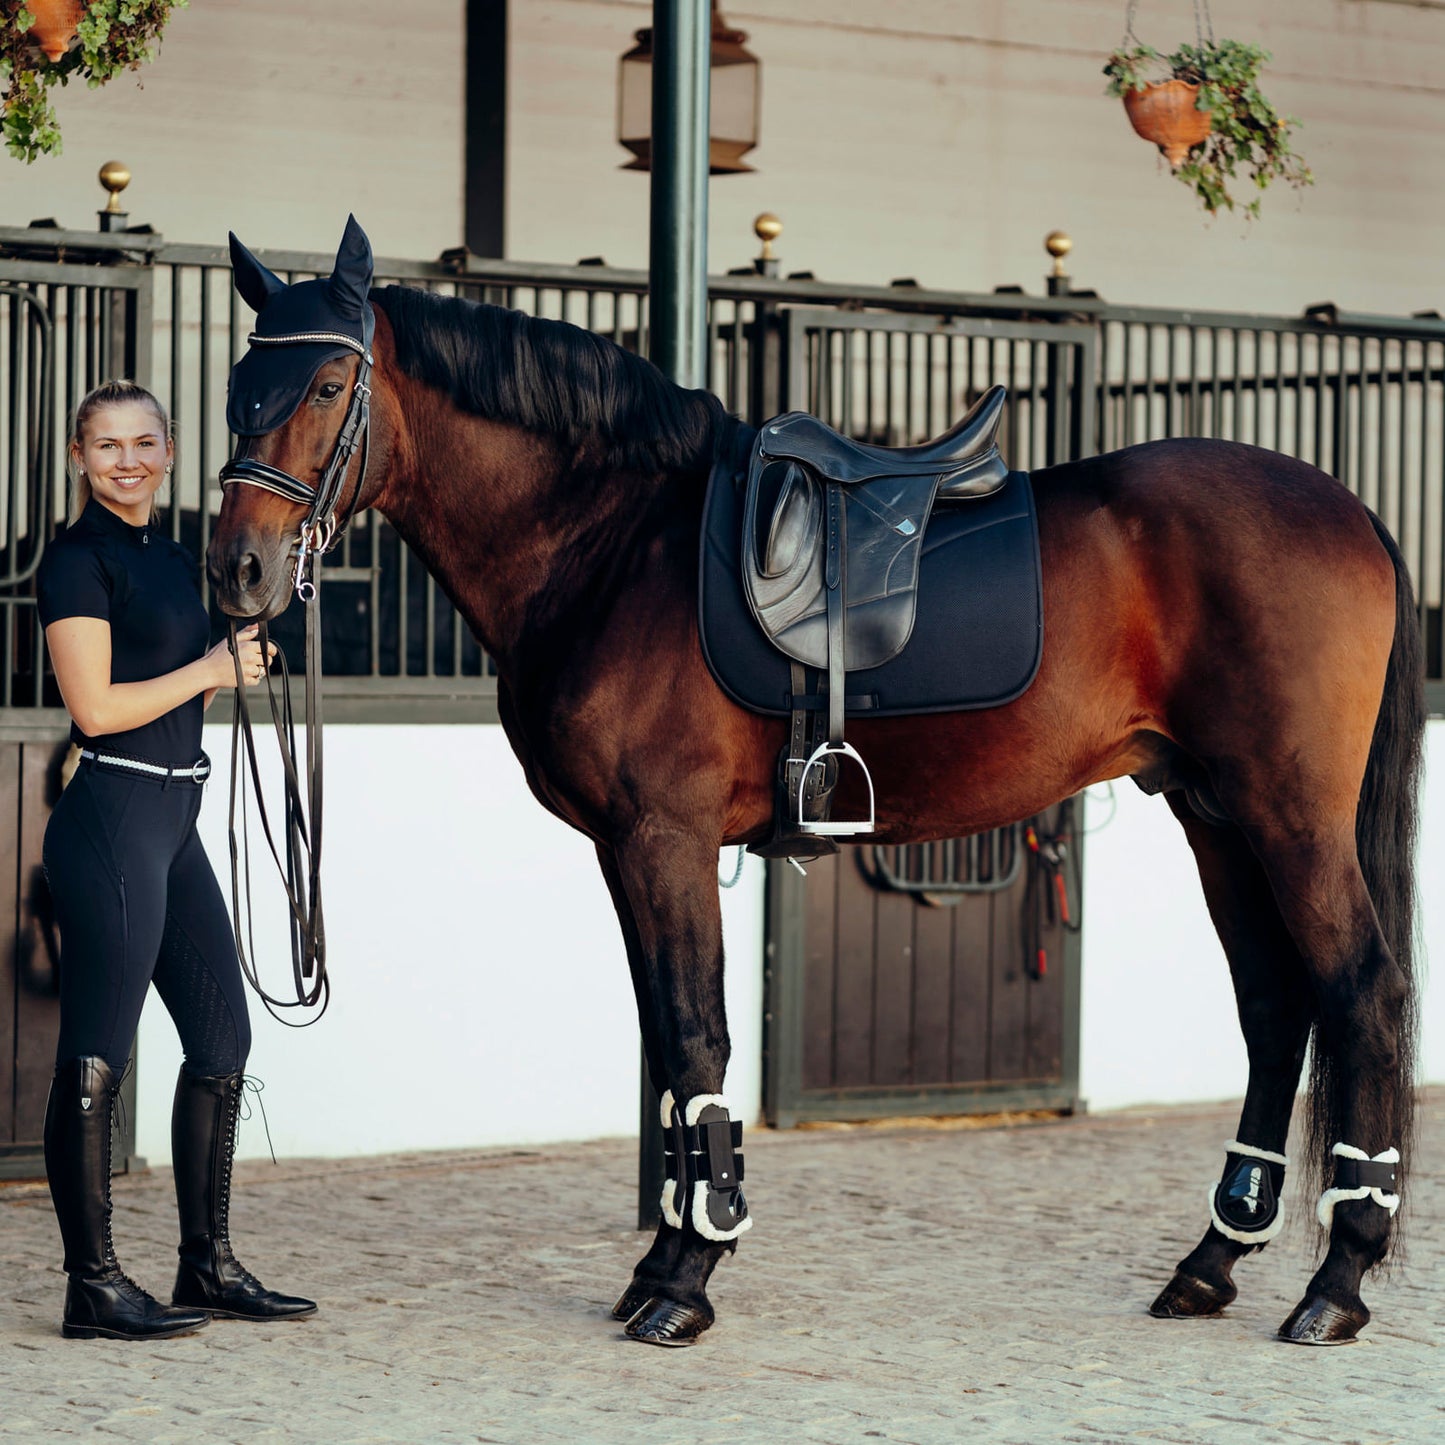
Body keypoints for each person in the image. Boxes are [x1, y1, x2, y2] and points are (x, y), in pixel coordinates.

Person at [36, 379, 315, 1340]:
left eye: (144, 443)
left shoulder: (171, 551)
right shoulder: (76, 561)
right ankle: (92, 1285)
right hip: (111, 819)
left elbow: (177, 669)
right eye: (107, 445)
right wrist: (206, 669)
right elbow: (95, 708)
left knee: (223, 1038)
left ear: (168, 450)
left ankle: (207, 1263)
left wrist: (231, 658)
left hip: (174, 818)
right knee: (96, 1054)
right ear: (79, 458)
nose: (128, 460)